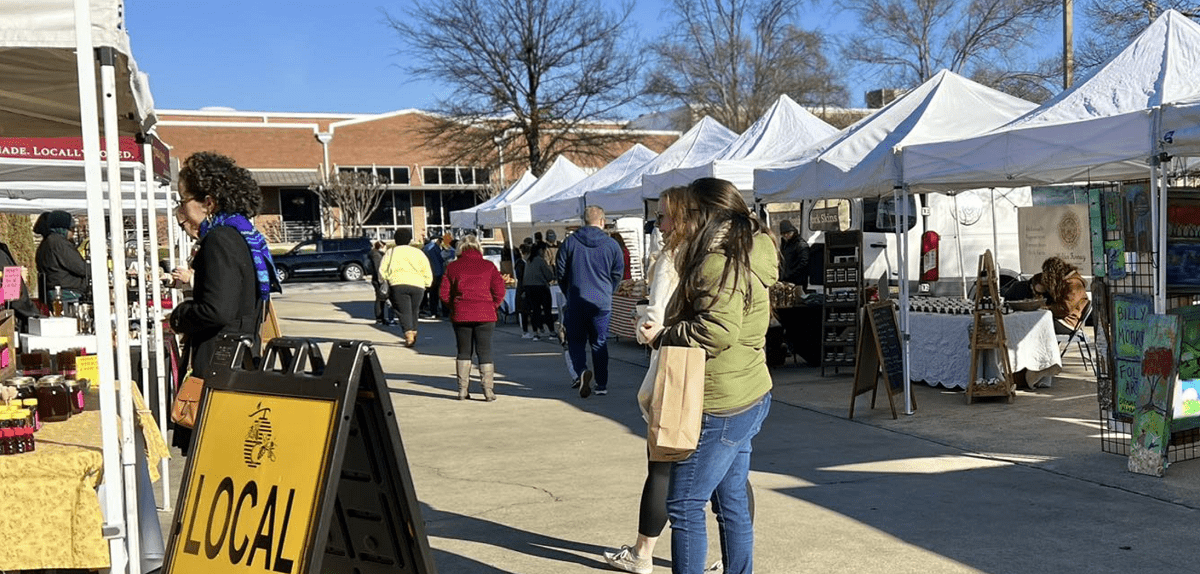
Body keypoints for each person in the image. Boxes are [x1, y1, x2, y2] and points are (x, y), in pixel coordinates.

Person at [639, 177, 776, 574]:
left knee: (683, 504)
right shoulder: (751, 247)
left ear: (706, 215)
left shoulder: (718, 260)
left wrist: (664, 335)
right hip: (747, 390)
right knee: (730, 501)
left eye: (687, 213)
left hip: (721, 401)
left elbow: (716, 331)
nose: (678, 221)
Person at [168, 151, 278, 455]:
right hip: (240, 362)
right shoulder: (244, 235)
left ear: (209, 202)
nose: (180, 213)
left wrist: (180, 316)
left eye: (182, 201)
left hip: (219, 368)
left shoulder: (220, 239)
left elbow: (216, 310)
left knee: (213, 456)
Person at [556, 205, 624, 397]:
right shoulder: (612, 245)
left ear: (583, 221)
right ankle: (601, 384)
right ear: (602, 221)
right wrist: (608, 290)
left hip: (577, 300)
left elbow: (560, 271)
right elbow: (618, 272)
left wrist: (568, 291)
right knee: (599, 343)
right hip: (601, 302)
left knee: (576, 342)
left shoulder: (569, 243)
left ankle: (582, 371)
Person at [440, 234, 506, 401]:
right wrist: (493, 305)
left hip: (461, 313)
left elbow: (443, 293)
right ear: (478, 247)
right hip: (485, 313)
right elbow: (499, 290)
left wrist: (454, 306)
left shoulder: (452, 267)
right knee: (485, 351)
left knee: (463, 352)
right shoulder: (488, 266)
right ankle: (488, 390)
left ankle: (462, 390)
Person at [380, 228, 432, 347]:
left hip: (398, 284)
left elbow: (382, 270)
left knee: (403, 311)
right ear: (409, 240)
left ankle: (409, 334)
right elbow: (426, 268)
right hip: (418, 285)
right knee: (414, 310)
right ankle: (414, 331)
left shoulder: (391, 252)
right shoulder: (418, 252)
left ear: (395, 239)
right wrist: (427, 283)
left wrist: (385, 279)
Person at [34, 210, 89, 303]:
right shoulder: (58, 242)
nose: (73, 233)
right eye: (72, 228)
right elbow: (80, 267)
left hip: (57, 291)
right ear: (63, 228)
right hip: (67, 294)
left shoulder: (46, 243)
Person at [1032, 256, 1088, 334]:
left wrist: (1047, 308)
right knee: (1034, 322)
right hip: (1064, 319)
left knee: (1035, 325)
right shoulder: (1067, 282)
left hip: (1068, 323)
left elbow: (1065, 309)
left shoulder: (1073, 284)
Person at [524, 242, 556, 340]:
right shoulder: (540, 261)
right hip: (541, 288)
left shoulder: (528, 261)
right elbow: (549, 276)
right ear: (541, 250)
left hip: (529, 288)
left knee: (535, 311)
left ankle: (535, 332)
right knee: (547, 311)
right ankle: (551, 331)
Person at [778, 219, 810, 289]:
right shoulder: (785, 244)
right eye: (783, 234)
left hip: (798, 281)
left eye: (788, 233)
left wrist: (789, 274)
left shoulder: (800, 244)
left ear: (793, 232)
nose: (786, 235)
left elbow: (804, 263)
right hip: (788, 279)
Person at [369, 241, 395, 325]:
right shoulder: (376, 255)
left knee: (381, 300)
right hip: (379, 280)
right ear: (381, 246)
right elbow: (378, 269)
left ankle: (381, 318)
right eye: (384, 247)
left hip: (378, 280)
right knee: (381, 300)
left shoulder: (377, 254)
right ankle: (379, 319)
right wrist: (382, 280)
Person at [422, 233, 447, 318]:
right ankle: (444, 312)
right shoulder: (435, 248)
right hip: (439, 272)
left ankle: (433, 311)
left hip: (430, 273)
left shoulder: (425, 248)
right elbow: (441, 259)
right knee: (441, 293)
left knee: (433, 294)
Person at [515, 243, 533, 338]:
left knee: (529, 310)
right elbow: (520, 277)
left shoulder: (528, 263)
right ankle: (525, 330)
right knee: (523, 311)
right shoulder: (520, 264)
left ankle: (531, 330)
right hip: (522, 289)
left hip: (528, 288)